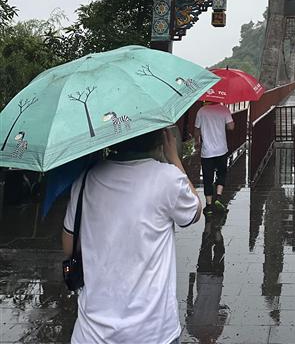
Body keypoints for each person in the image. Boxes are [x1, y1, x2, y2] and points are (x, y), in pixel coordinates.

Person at [62, 127, 201, 344]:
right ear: (159, 137)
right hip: (152, 332)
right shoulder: (167, 178)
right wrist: (174, 158)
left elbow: (69, 247)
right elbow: (194, 212)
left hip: (92, 333)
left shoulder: (86, 179)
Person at [194, 101, 234, 214]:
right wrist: (223, 124)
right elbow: (231, 127)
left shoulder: (201, 111)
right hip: (221, 150)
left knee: (208, 178)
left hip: (207, 152)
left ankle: (209, 206)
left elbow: (196, 129)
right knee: (221, 173)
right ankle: (219, 198)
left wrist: (196, 142)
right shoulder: (224, 109)